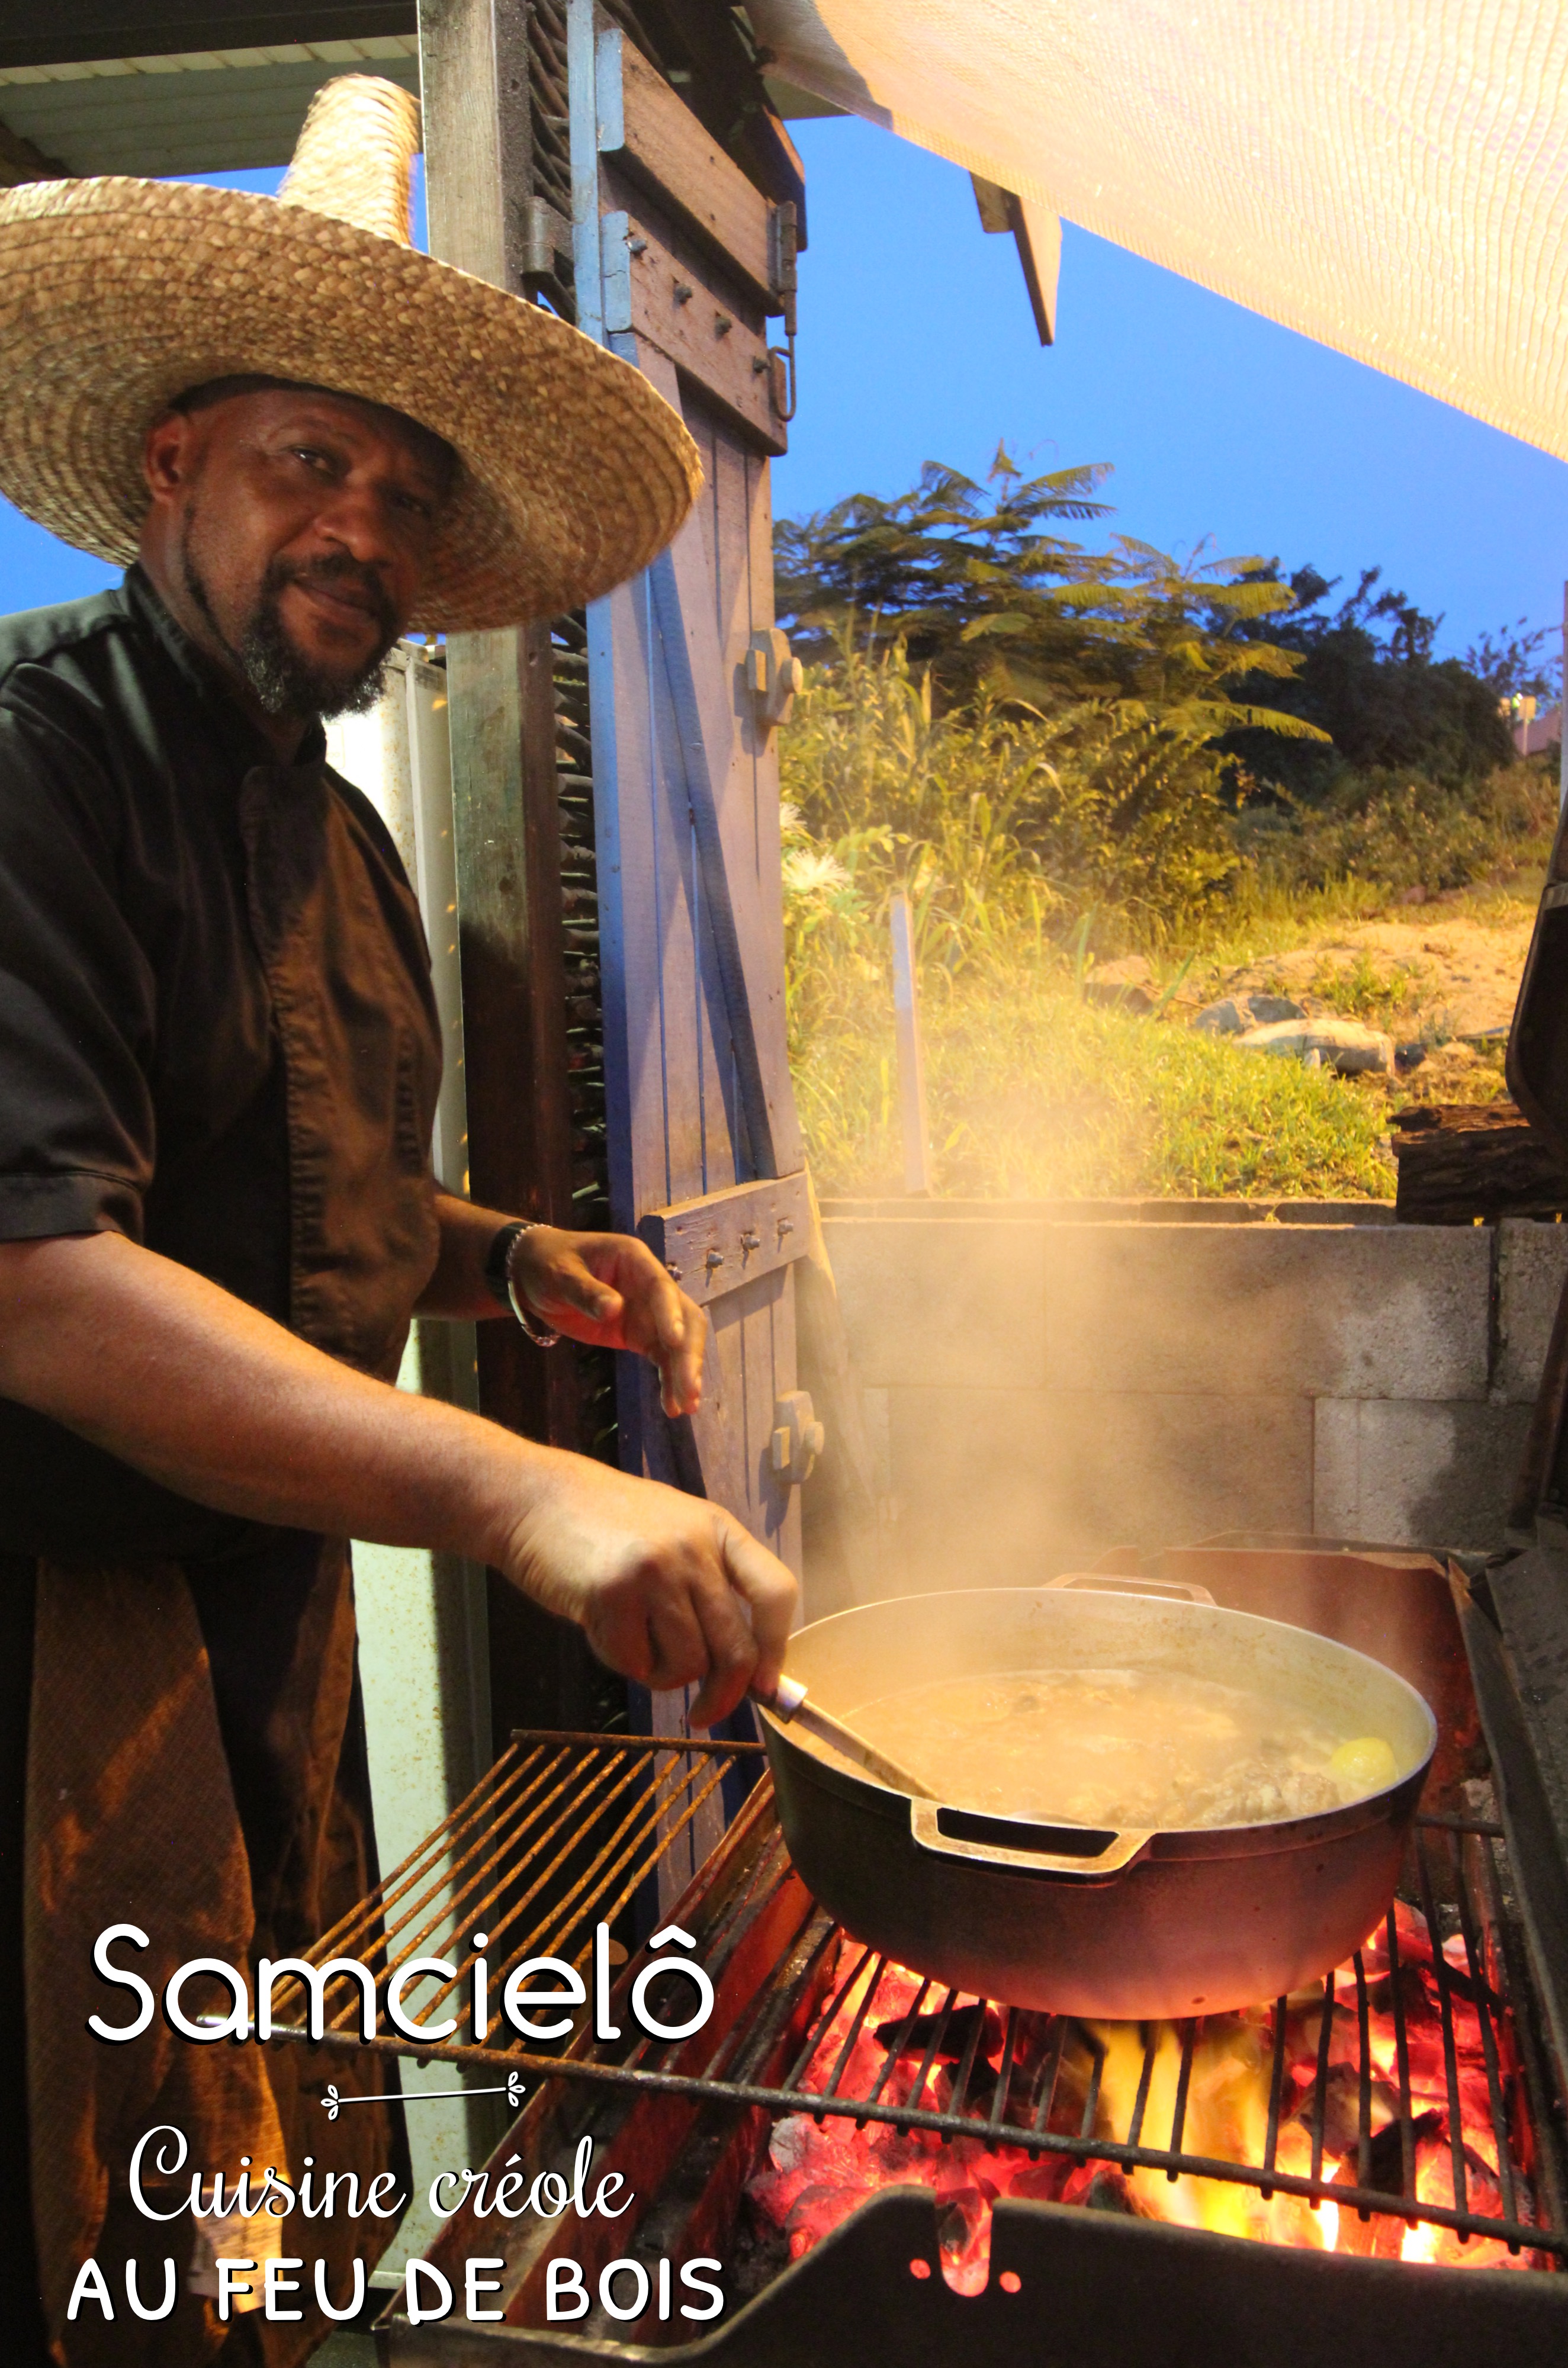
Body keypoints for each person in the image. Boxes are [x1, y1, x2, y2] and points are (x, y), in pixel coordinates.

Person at [0, 75, 795, 2366]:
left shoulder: (327, 836)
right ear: (172, 466)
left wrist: (506, 1260)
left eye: (406, 494)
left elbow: (300, 1190)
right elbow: (45, 1280)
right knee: (113, 2223)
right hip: (69, 1629)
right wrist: (523, 1491)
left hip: (280, 1602)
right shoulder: (38, 771)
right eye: (309, 461)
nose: (363, 524)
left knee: (279, 2154)